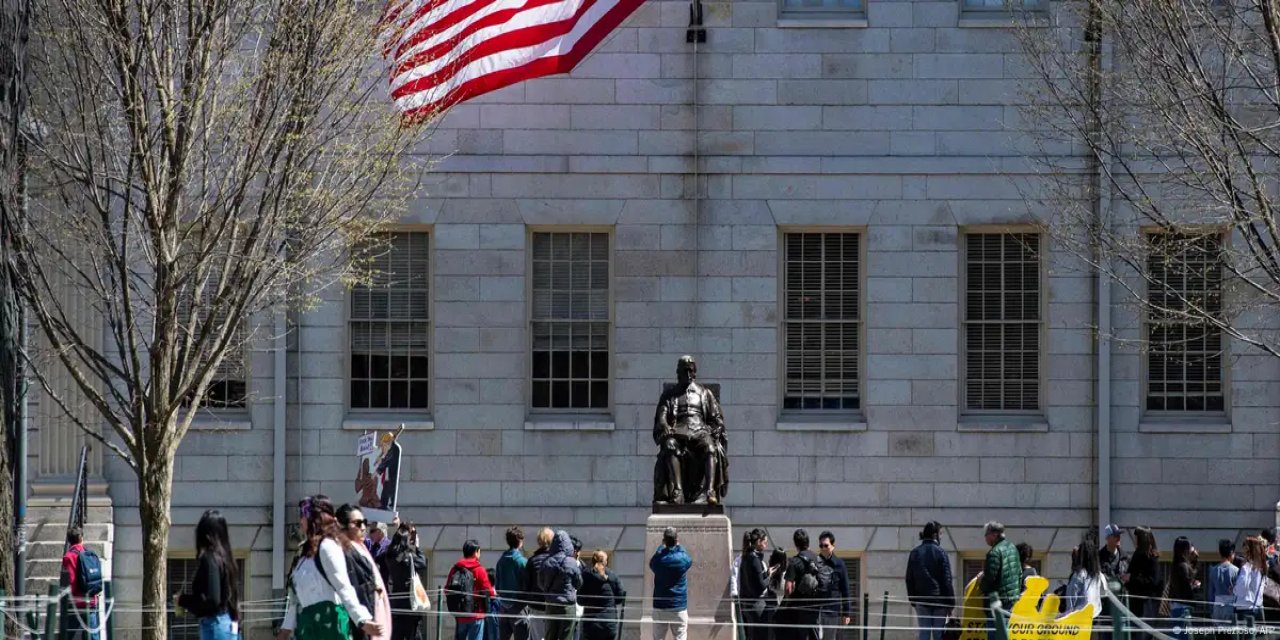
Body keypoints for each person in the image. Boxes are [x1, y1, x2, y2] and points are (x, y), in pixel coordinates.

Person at [279, 496, 382, 640]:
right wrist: (284, 631)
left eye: (304, 515)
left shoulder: (328, 546)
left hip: (329, 626)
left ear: (316, 518)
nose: (300, 521)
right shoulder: (303, 553)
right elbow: (296, 600)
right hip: (307, 628)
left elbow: (343, 586)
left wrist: (362, 619)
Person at [173, 510, 242, 640]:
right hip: (230, 624)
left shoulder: (210, 559)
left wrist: (183, 600)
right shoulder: (228, 560)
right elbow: (233, 599)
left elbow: (212, 601)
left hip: (215, 625)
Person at [337, 505, 391, 640]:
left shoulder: (360, 549)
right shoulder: (342, 552)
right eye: (358, 523)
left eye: (365, 523)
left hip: (368, 617)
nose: (363, 527)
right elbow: (349, 591)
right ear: (342, 526)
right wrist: (364, 622)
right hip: (356, 624)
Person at [377, 523, 428, 640]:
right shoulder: (408, 557)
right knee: (413, 634)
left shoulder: (389, 556)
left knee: (397, 634)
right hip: (410, 603)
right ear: (407, 540)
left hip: (395, 600)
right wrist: (418, 548)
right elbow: (423, 562)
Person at [905, 521, 954, 640]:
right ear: (935, 535)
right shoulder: (941, 553)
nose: (941, 536)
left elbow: (909, 578)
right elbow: (947, 580)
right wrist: (951, 603)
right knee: (938, 635)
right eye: (940, 533)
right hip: (939, 601)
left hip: (921, 600)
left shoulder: (915, 553)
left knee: (924, 633)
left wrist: (913, 599)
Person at [447, 540, 498, 640]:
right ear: (476, 552)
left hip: (460, 614)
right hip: (476, 615)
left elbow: (447, 589)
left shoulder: (456, 569)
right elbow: (489, 592)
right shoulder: (479, 569)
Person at [538, 530, 582, 640]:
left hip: (551, 604)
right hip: (567, 605)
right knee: (566, 636)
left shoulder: (547, 562)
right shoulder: (571, 562)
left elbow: (540, 583)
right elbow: (579, 583)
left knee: (550, 635)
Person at [651, 527, 693, 640]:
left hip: (660, 605)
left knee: (658, 638)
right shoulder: (682, 559)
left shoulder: (659, 560)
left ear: (664, 540)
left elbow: (652, 562)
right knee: (680, 637)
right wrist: (678, 546)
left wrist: (661, 547)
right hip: (678, 605)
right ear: (676, 540)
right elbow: (688, 559)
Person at [61, 527, 102, 640]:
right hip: (91, 600)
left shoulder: (69, 557)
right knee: (93, 635)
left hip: (76, 602)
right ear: (81, 538)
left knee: (68, 634)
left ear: (69, 541)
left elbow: (71, 581)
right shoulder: (89, 554)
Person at [783, 529, 824, 640]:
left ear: (796, 544)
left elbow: (788, 589)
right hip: (815, 607)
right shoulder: (818, 559)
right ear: (808, 542)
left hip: (799, 608)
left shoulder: (794, 562)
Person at [579, 550, 626, 640]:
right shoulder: (613, 576)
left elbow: (580, 600)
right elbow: (620, 598)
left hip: (591, 623)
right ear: (605, 562)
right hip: (609, 622)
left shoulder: (586, 576)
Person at [979, 522, 1020, 621]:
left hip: (998, 601)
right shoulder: (1012, 548)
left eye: (986, 535)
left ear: (994, 535)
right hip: (1013, 599)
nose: (985, 538)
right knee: (1007, 633)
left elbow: (990, 579)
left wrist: (980, 582)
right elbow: (1020, 573)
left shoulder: (994, 552)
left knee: (994, 633)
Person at [496, 526, 530, 640]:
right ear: (520, 541)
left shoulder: (501, 561)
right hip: (518, 607)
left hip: (503, 606)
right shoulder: (522, 562)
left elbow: (497, 586)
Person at [817, 532, 852, 636]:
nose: (823, 548)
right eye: (821, 545)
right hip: (816, 611)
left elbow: (845, 590)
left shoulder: (840, 564)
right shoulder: (815, 562)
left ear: (833, 546)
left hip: (832, 612)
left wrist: (847, 613)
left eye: (826, 545)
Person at [739, 530, 772, 640]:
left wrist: (766, 573)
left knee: (751, 635)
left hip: (746, 603)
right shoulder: (755, 560)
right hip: (756, 604)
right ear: (758, 541)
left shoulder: (745, 556)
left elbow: (752, 580)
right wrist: (770, 576)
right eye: (765, 542)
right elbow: (761, 586)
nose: (766, 544)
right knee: (760, 635)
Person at [524, 528, 556, 640]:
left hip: (536, 605)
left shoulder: (532, 561)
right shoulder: (557, 560)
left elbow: (526, 585)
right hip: (553, 605)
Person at [1064, 533, 1103, 618]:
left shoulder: (1079, 574)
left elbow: (1071, 596)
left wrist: (1068, 614)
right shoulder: (1099, 575)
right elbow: (1104, 591)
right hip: (1095, 615)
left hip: (1080, 617)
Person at [1127, 526, 1162, 620]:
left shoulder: (1151, 558)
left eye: (1136, 537)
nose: (1135, 540)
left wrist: (1131, 578)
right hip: (1135, 601)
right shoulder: (1137, 554)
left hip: (1146, 602)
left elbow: (1153, 582)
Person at [1232, 537, 1268, 626]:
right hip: (1256, 607)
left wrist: (1234, 589)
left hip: (1244, 609)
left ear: (1249, 551)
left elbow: (1241, 590)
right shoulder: (1261, 568)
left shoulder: (1246, 567)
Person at [1166, 537, 1199, 631]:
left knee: (1176, 633)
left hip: (1175, 605)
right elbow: (1186, 588)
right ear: (1185, 550)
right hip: (1183, 606)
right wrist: (1195, 586)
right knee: (1183, 634)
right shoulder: (1183, 566)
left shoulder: (1176, 564)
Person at [1205, 539, 1238, 628]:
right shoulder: (1236, 571)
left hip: (1217, 607)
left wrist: (1211, 610)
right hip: (1231, 607)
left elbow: (1210, 593)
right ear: (1231, 553)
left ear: (1219, 553)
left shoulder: (1213, 570)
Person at [1099, 524, 1130, 596]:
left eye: (1119, 535)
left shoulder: (1125, 558)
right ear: (1108, 538)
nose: (1119, 538)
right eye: (1116, 536)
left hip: (1121, 598)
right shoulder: (1098, 558)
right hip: (1105, 599)